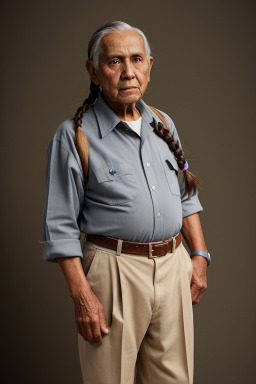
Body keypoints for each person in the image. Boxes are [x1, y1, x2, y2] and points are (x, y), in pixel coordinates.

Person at [39, 20, 210, 384]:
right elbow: (59, 228)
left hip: (172, 267)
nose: (128, 71)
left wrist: (199, 256)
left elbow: (185, 198)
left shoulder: (163, 123)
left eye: (136, 59)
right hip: (114, 272)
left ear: (149, 65)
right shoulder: (74, 137)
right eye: (115, 61)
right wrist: (82, 296)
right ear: (94, 71)